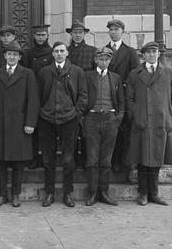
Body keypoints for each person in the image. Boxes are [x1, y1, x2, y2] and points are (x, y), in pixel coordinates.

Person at [125, 42, 172, 206]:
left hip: (160, 122)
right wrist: (135, 114)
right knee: (142, 158)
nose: (151, 55)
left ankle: (154, 193)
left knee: (156, 157)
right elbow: (129, 98)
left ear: (158, 54)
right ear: (143, 55)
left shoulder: (169, 72)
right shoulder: (135, 73)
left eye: (154, 52)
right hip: (142, 121)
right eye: (148, 52)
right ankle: (143, 193)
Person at [0, 41, 39, 207]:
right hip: (0, 123)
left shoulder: (28, 74)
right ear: (4, 56)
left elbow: (33, 100)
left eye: (15, 54)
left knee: (19, 162)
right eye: (9, 54)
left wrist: (30, 122)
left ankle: (16, 194)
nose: (12, 57)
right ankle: (2, 194)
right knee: (0, 162)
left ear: (20, 57)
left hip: (20, 124)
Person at [37, 41, 87, 208]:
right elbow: (38, 94)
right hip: (47, 119)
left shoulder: (77, 72)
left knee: (68, 159)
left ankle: (67, 193)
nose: (59, 54)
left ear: (67, 53)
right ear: (52, 54)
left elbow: (83, 95)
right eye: (56, 51)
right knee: (48, 159)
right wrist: (42, 111)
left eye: (62, 51)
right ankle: (49, 193)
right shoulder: (44, 72)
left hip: (69, 120)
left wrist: (76, 113)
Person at [83, 47, 124, 206]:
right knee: (92, 159)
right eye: (101, 59)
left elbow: (121, 101)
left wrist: (117, 118)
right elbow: (82, 96)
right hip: (92, 119)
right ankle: (92, 193)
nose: (104, 61)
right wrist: (84, 117)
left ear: (110, 60)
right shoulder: (87, 76)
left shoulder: (115, 78)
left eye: (107, 59)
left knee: (106, 160)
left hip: (110, 119)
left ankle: (104, 192)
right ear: (95, 60)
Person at [105, 19, 140, 181]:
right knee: (109, 130)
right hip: (107, 96)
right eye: (111, 29)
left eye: (116, 29)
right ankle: (109, 160)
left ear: (122, 32)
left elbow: (135, 75)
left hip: (123, 96)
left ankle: (121, 162)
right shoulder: (104, 50)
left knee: (123, 130)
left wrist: (125, 87)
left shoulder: (130, 52)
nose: (113, 32)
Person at [66, 20, 97, 169]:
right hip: (68, 97)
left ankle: (85, 159)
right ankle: (72, 159)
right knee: (71, 130)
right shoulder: (65, 51)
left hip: (86, 96)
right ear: (71, 34)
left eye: (80, 32)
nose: (77, 35)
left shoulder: (92, 51)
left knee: (85, 129)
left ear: (84, 34)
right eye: (75, 33)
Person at [25, 24, 54, 169]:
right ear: (34, 36)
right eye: (38, 35)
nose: (40, 37)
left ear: (47, 36)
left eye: (43, 35)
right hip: (32, 95)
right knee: (33, 129)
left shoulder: (51, 53)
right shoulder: (28, 54)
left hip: (47, 96)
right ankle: (33, 158)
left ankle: (46, 158)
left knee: (46, 130)